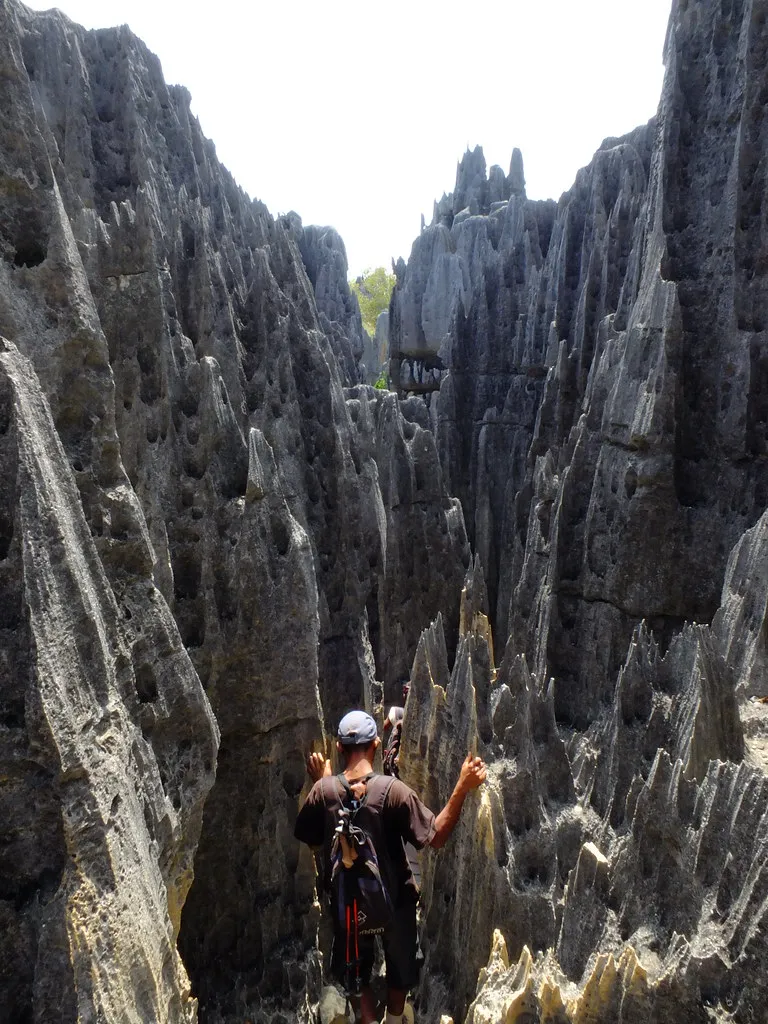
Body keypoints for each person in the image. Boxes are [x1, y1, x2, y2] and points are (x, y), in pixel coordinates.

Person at [294, 710, 487, 1024]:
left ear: (339, 747)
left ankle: (369, 1020)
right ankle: (395, 1018)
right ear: (375, 744)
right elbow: (436, 836)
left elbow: (311, 838)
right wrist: (462, 786)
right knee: (400, 969)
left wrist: (323, 783)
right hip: (395, 902)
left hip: (349, 906)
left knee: (356, 972)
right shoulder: (393, 790)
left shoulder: (323, 791)